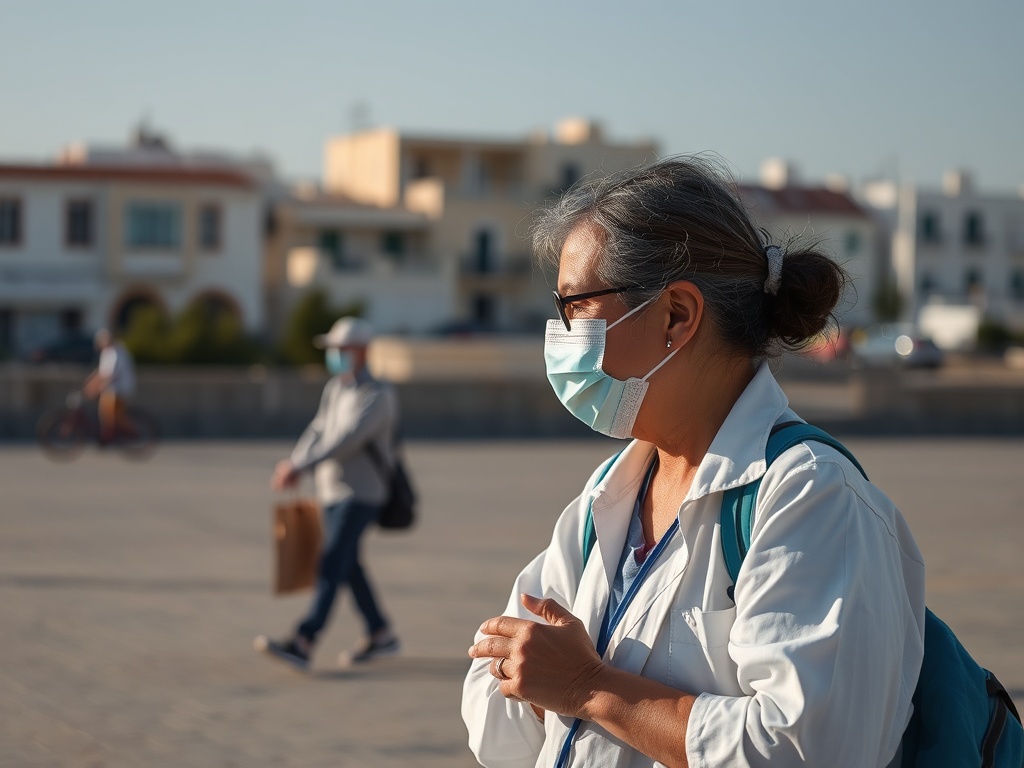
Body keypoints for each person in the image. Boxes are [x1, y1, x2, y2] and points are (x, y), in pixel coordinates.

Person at [462, 157, 926, 768]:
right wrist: (540, 677)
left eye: (576, 305)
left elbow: (804, 748)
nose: (562, 331)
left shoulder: (812, 496)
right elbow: (494, 722)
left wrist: (588, 688)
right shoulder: (609, 494)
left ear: (677, 315)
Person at [256, 317, 401, 670]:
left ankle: (304, 641)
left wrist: (301, 467)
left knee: (332, 561)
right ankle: (380, 633)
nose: (336, 355)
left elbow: (346, 439)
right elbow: (318, 429)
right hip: (331, 492)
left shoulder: (378, 395)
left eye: (342, 349)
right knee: (348, 564)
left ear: (363, 351)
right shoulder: (336, 388)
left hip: (362, 495)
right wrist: (294, 461)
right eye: (333, 349)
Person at [83, 328, 137, 444]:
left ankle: (116, 433)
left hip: (120, 388)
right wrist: (89, 382)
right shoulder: (106, 352)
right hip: (111, 387)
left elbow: (111, 374)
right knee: (103, 410)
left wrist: (97, 387)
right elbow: (101, 372)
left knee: (113, 413)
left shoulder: (117, 352)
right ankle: (106, 433)